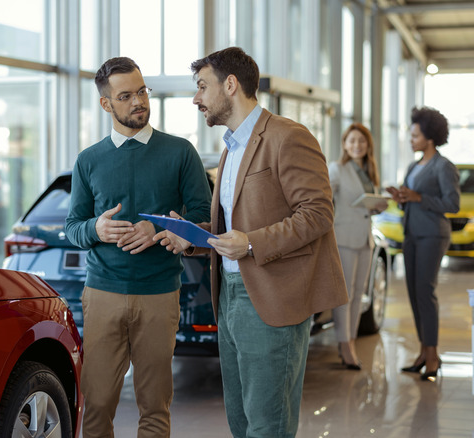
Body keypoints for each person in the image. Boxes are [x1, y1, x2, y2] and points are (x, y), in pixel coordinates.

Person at [155, 46, 348, 438]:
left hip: (273, 295)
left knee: (267, 423)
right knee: (241, 420)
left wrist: (252, 244)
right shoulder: (231, 148)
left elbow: (318, 213)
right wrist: (192, 237)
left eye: (201, 87)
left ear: (230, 85)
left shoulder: (287, 136)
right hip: (229, 294)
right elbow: (235, 226)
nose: (196, 98)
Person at [64, 56, 211, 438]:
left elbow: (201, 218)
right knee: (95, 405)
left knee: (155, 406)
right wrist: (96, 228)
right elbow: (73, 228)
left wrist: (158, 226)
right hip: (103, 294)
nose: (138, 101)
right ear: (106, 103)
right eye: (126, 95)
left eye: (142, 91)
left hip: (160, 295)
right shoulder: (89, 160)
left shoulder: (180, 153)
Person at [386, 106, 460, 381]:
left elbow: (453, 204)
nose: (411, 140)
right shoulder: (413, 166)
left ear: (429, 137)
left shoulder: (444, 166)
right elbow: (412, 199)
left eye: (415, 135)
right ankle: (423, 350)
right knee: (415, 295)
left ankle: (432, 355)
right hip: (412, 234)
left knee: (425, 293)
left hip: (432, 234)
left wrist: (419, 198)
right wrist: (403, 197)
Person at [328, 123, 388, 370]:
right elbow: (325, 198)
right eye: (352, 141)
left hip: (365, 239)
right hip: (343, 238)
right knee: (345, 294)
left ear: (367, 146)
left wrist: (377, 205)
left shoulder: (368, 171)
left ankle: (351, 339)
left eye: (361, 141)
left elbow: (363, 204)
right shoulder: (337, 169)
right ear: (344, 144)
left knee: (359, 294)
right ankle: (344, 345)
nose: (356, 145)